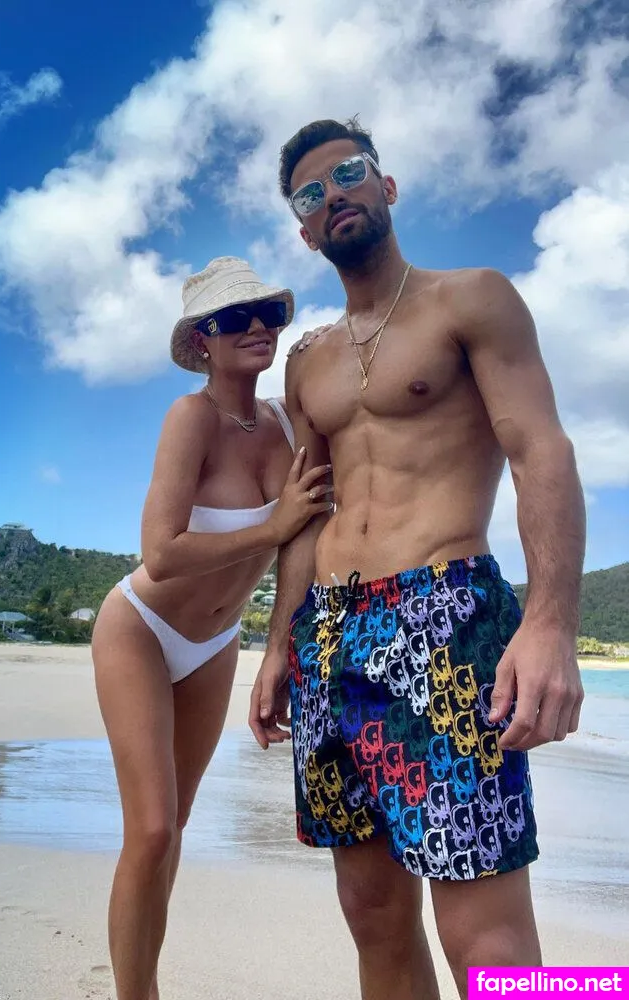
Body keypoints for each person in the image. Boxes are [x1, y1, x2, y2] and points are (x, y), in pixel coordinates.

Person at [248, 119, 586, 1000]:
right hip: (330, 634)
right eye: (310, 193)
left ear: (386, 185)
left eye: (348, 173)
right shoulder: (306, 362)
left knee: (484, 930)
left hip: (445, 616)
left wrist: (551, 624)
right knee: (371, 914)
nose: (333, 195)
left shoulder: (471, 300)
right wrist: (280, 646)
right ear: (304, 231)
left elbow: (540, 451)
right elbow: (308, 513)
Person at [92, 255, 333, 1000]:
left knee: (176, 829)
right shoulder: (190, 417)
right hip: (140, 627)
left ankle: (143, 980)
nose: (257, 327)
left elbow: (303, 542)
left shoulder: (289, 425)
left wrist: (278, 649)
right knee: (151, 828)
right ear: (203, 340)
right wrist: (273, 527)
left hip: (215, 645)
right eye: (234, 318)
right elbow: (161, 554)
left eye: (269, 313)